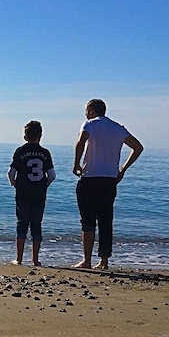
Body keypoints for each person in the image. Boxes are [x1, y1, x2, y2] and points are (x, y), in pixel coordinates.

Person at [71, 99, 143, 270]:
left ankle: (87, 260)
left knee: (87, 220)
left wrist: (76, 163)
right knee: (105, 220)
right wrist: (122, 169)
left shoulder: (89, 124)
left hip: (90, 178)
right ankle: (104, 261)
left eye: (86, 111)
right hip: (109, 180)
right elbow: (138, 147)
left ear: (91, 111)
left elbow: (81, 141)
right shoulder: (117, 128)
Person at [8, 120, 56, 266]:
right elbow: (52, 175)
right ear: (40, 136)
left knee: (22, 224)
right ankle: (35, 259)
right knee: (36, 224)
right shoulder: (45, 153)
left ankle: (19, 258)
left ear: (25, 136)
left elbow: (11, 173)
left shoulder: (20, 151)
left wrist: (14, 184)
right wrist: (45, 185)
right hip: (39, 193)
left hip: (23, 192)